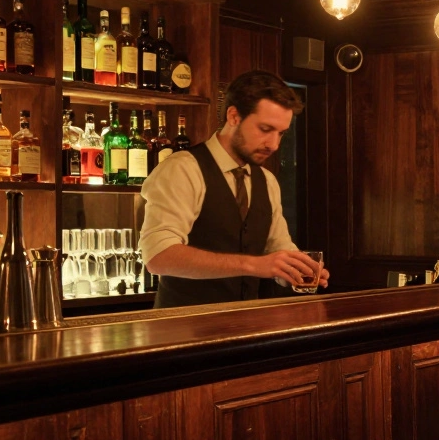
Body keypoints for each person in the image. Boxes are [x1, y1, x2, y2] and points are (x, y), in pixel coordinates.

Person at [140, 69, 328, 308]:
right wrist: (253, 265)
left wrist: (297, 269)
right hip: (181, 331)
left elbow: (277, 248)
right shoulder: (183, 169)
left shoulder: (267, 180)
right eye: (265, 129)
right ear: (233, 116)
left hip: (243, 330)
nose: (274, 144)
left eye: (281, 133)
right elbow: (159, 257)